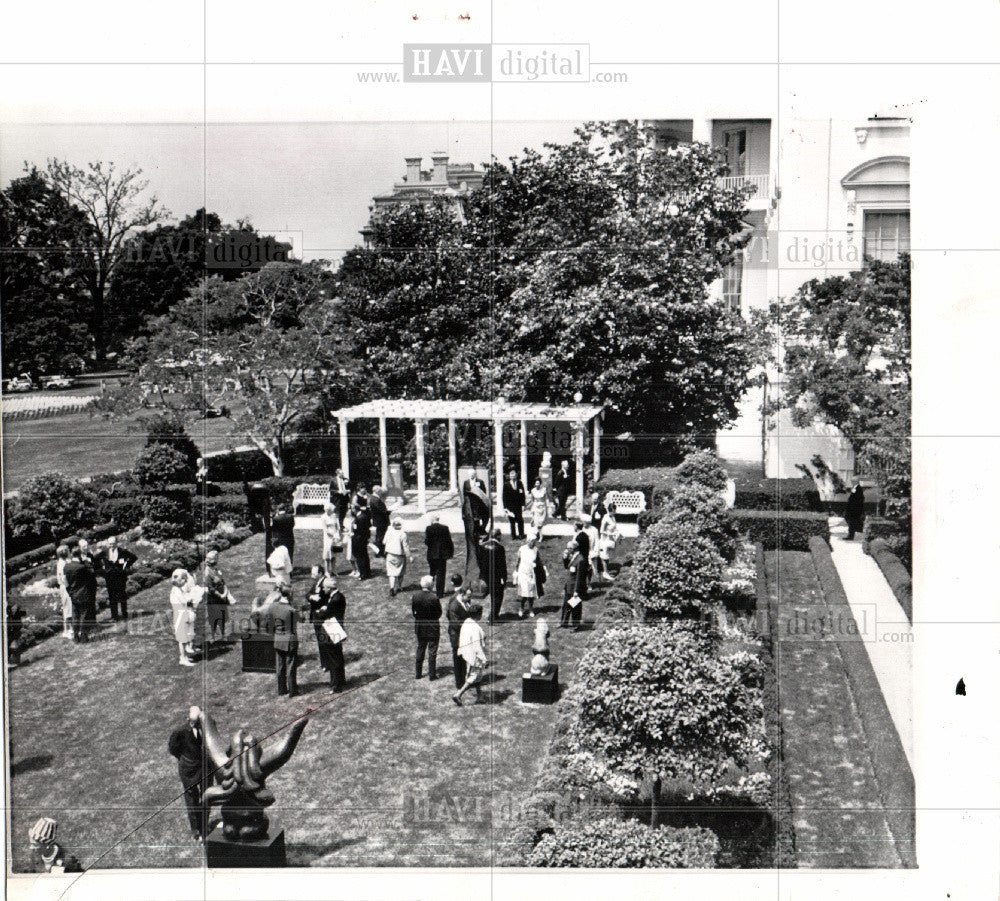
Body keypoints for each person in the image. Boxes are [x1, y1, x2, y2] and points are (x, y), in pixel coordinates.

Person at [168, 706, 210, 843]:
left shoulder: (205, 727)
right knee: (192, 800)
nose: (196, 724)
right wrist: (186, 760)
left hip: (203, 767)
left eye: (198, 722)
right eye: (194, 722)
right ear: (189, 720)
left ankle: (205, 828)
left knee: (206, 797)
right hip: (188, 770)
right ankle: (196, 831)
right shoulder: (179, 732)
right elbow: (173, 749)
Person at [308, 573, 347, 692]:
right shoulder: (337, 597)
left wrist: (321, 611)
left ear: (330, 588)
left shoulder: (335, 599)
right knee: (338, 655)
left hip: (331, 630)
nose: (323, 590)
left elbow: (324, 613)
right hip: (335, 629)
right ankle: (341, 680)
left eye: (325, 588)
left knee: (333, 658)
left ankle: (335, 685)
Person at [257, 583, 298, 696]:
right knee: (291, 666)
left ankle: (281, 689)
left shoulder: (272, 607)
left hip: (278, 639)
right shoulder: (291, 610)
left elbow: (269, 625)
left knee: (280, 666)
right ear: (290, 595)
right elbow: (297, 621)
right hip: (290, 640)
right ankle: (293, 690)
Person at [93, 535, 137, 625]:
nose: (111, 546)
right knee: (112, 596)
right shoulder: (104, 552)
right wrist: (101, 570)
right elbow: (95, 560)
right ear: (108, 544)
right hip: (109, 577)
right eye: (110, 544)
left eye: (113, 544)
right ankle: (114, 616)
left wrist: (126, 565)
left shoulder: (122, 551)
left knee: (122, 595)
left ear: (116, 543)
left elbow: (133, 557)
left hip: (120, 576)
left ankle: (124, 614)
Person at [453, 603, 487, 706]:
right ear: (478, 615)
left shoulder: (466, 622)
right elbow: (477, 646)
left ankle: (480, 696)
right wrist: (484, 659)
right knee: (473, 676)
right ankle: (458, 694)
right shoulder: (475, 627)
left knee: (478, 676)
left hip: (466, 653)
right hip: (474, 656)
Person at [64, 546, 97, 643]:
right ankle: (83, 636)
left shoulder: (66, 567)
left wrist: (70, 592)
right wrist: (87, 562)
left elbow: (66, 581)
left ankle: (75, 636)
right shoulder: (82, 567)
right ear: (79, 555)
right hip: (83, 593)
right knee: (84, 615)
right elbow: (92, 574)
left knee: (75, 615)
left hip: (73, 594)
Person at [411, 575, 442, 680]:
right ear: (430, 585)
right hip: (433, 628)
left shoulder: (415, 596)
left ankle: (418, 674)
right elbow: (439, 613)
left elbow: (414, 612)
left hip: (420, 627)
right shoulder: (434, 597)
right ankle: (432, 675)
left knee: (420, 648)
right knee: (432, 651)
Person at [169, 569, 202, 666]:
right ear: (179, 580)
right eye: (184, 580)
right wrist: (195, 596)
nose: (185, 582)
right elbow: (185, 601)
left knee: (186, 636)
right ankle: (182, 658)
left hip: (183, 614)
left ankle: (185, 656)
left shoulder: (178, 590)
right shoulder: (175, 591)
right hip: (180, 616)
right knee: (182, 638)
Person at [202, 550, 233, 643]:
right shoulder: (207, 572)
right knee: (214, 617)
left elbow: (223, 582)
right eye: (216, 559)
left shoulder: (216, 569)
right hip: (213, 598)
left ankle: (223, 635)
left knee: (222, 616)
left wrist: (225, 592)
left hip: (221, 596)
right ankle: (213, 637)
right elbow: (210, 588)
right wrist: (220, 595)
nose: (217, 561)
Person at [478, 529, 508, 623]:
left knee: (492, 595)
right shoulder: (500, 548)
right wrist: (504, 577)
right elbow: (502, 564)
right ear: (498, 536)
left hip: (486, 575)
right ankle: (493, 617)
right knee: (498, 597)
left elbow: (480, 561)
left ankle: (494, 615)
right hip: (497, 576)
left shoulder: (483, 546)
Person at [445, 577, 470, 689]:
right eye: (468, 597)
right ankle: (459, 683)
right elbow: (455, 623)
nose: (469, 599)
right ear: (462, 595)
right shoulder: (454, 605)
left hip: (462, 634)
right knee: (458, 658)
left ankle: (464, 679)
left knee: (463, 658)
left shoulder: (463, 601)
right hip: (457, 636)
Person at [424, 514, 454, 598]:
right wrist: (450, 553)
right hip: (441, 555)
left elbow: (427, 542)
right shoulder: (445, 528)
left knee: (432, 572)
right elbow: (449, 541)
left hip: (431, 554)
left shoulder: (429, 528)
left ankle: (429, 588)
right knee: (441, 574)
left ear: (432, 520)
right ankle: (440, 593)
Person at [560, 541, 588, 629]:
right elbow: (567, 567)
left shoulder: (581, 560)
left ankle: (576, 625)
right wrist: (565, 559)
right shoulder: (573, 557)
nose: (567, 550)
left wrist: (576, 591)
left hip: (575, 588)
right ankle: (564, 623)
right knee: (566, 605)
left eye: (568, 548)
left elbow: (580, 577)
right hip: (569, 586)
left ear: (574, 549)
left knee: (575, 607)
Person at [384, 517, 412, 596]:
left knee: (391, 572)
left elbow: (384, 542)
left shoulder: (388, 532)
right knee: (400, 571)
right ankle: (399, 586)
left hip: (389, 554)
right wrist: (409, 556)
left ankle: (392, 587)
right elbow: (405, 547)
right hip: (399, 555)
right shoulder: (403, 534)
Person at [514, 537, 540, 619]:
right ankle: (521, 608)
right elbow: (518, 560)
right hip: (523, 573)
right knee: (524, 592)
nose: (533, 543)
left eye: (534, 542)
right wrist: (516, 571)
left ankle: (531, 609)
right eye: (532, 541)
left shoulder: (536, 550)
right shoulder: (522, 549)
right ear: (528, 541)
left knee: (531, 593)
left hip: (531, 573)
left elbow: (538, 561)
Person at [502, 469, 526, 539]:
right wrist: (505, 507)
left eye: (514, 475)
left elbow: (522, 494)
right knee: (512, 521)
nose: (512, 476)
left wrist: (523, 504)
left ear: (516, 475)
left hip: (518, 505)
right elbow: (504, 496)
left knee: (520, 520)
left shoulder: (519, 483)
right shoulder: (506, 484)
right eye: (511, 475)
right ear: (509, 476)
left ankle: (521, 534)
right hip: (510, 506)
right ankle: (513, 535)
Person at [55, 544, 73, 639]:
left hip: (65, 587)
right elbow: (63, 578)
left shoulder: (64, 562)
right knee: (68, 608)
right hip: (65, 588)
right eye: (68, 551)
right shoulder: (62, 564)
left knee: (68, 608)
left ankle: (68, 629)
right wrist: (69, 586)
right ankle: (68, 630)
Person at [599, 503, 620, 580]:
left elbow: (614, 527)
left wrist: (619, 534)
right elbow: (601, 531)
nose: (615, 512)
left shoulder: (613, 517)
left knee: (607, 556)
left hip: (610, 540)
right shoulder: (605, 518)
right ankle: (605, 573)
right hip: (605, 540)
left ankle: (606, 571)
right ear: (610, 511)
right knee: (604, 556)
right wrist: (610, 534)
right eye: (614, 511)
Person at [351, 504, 372, 579]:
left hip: (358, 540)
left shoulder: (358, 518)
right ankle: (367, 572)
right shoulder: (365, 516)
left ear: (355, 509)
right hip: (364, 539)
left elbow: (356, 530)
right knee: (365, 556)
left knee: (360, 557)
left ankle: (363, 574)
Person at [320, 502, 342, 575]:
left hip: (335, 535)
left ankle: (334, 570)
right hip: (328, 537)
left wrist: (337, 535)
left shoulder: (334, 516)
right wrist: (332, 535)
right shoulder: (323, 517)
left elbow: (338, 526)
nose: (332, 511)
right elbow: (325, 529)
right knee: (327, 553)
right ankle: (327, 571)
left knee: (334, 554)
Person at [369, 487, 391, 557]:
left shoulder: (374, 498)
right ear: (377, 491)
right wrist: (388, 511)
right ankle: (379, 552)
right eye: (380, 491)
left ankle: (380, 551)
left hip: (380, 521)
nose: (381, 493)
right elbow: (382, 511)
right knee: (381, 537)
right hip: (381, 521)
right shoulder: (375, 499)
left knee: (380, 536)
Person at [342, 505, 358, 577]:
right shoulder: (345, 520)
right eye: (347, 511)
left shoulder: (355, 519)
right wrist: (346, 531)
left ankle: (358, 570)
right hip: (348, 538)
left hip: (353, 538)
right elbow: (345, 528)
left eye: (350, 511)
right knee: (349, 556)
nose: (348, 512)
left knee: (354, 554)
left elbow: (355, 529)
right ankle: (354, 569)